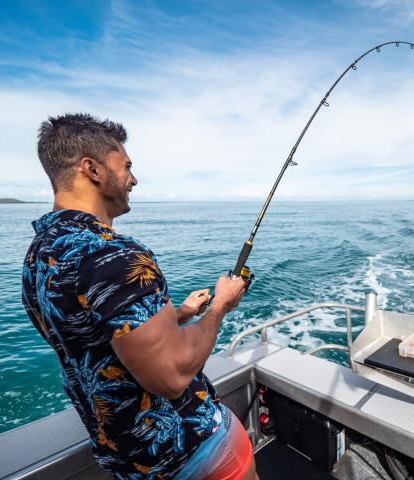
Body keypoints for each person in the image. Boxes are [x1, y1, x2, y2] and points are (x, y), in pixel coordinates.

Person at [21, 113, 258, 480]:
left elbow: (95, 339)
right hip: (192, 453)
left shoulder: (39, 256)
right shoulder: (114, 255)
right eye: (126, 166)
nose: (133, 179)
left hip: (127, 462)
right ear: (92, 169)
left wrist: (178, 315)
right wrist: (220, 307)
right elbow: (172, 375)